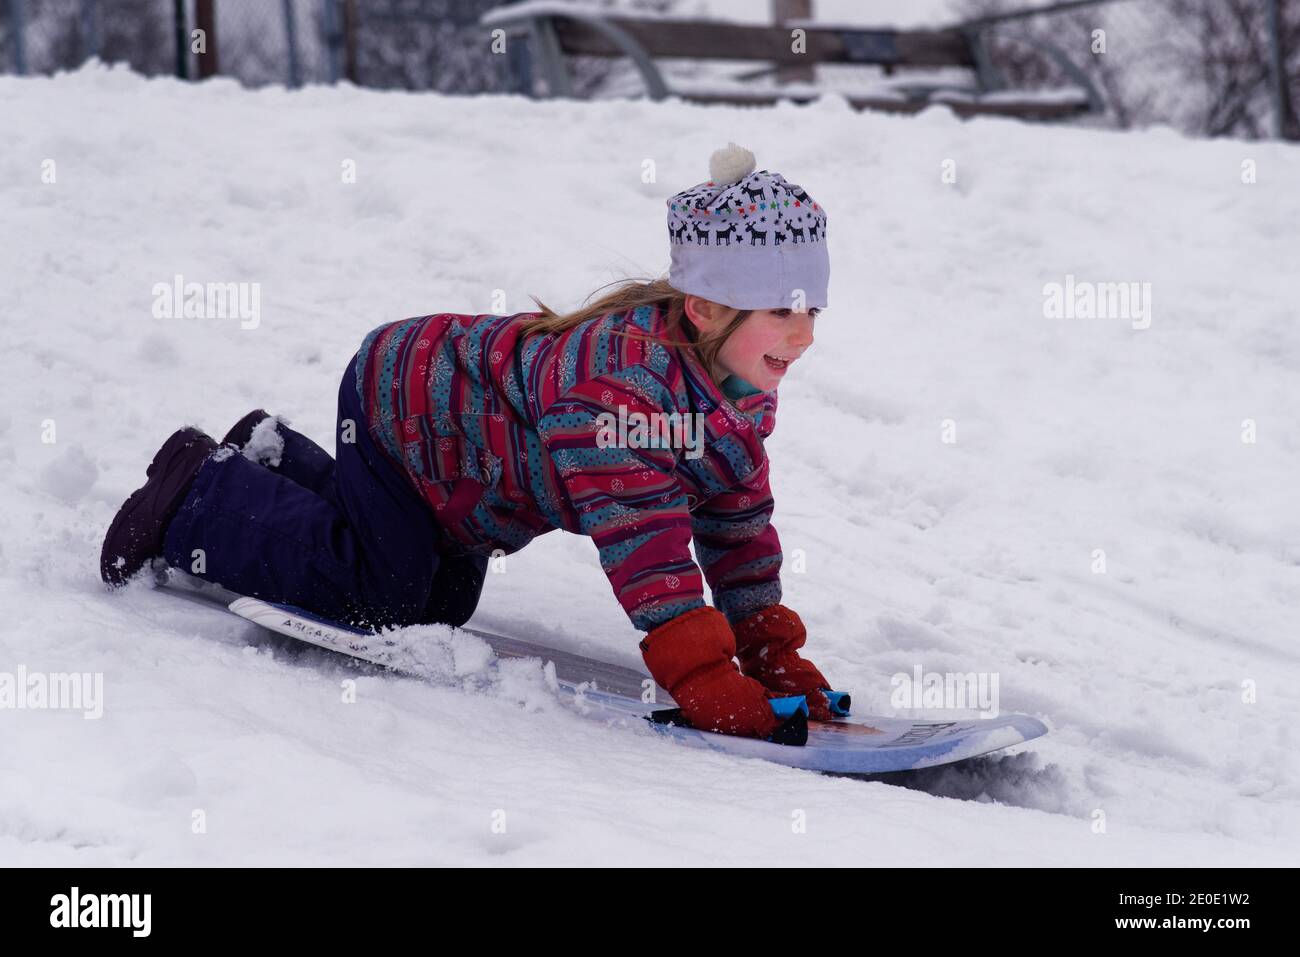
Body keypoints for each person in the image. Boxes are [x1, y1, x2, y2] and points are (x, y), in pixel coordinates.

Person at [100, 142, 834, 740]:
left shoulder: (731, 389)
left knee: (440, 597)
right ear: (705, 309)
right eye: (781, 310)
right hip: (409, 414)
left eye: (812, 310)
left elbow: (734, 524)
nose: (804, 334)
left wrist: (770, 651)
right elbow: (646, 546)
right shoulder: (621, 394)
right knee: (384, 599)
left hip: (457, 469)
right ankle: (200, 494)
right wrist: (704, 679)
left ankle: (273, 459)